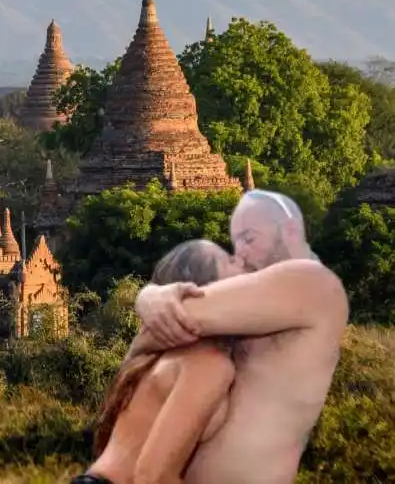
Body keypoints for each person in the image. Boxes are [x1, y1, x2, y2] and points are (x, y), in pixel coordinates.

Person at [130, 190, 349, 483]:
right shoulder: (258, 303)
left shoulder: (311, 281)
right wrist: (150, 298)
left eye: (249, 238)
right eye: (236, 243)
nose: (240, 254)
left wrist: (148, 298)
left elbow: (171, 320)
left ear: (290, 232)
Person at [74, 239, 242, 484]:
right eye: (229, 261)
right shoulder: (208, 364)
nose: (239, 264)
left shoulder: (159, 356)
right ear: (201, 294)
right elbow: (153, 477)